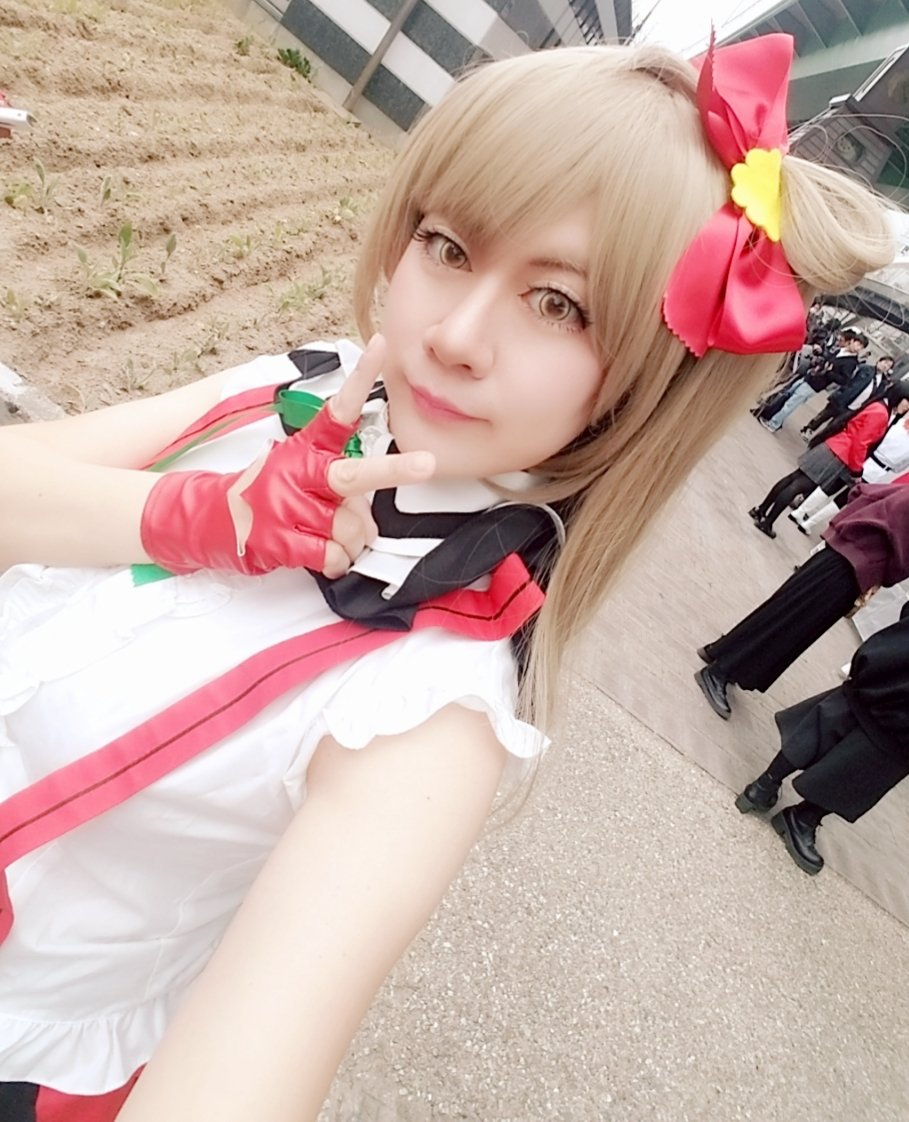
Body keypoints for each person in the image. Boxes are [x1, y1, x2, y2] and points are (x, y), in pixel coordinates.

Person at [0, 35, 894, 1122]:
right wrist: (196, 516)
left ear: (647, 379)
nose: (455, 336)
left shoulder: (427, 712)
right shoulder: (304, 387)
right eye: (449, 245)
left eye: (559, 304)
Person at [695, 478, 909, 720]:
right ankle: (720, 671)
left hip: (846, 560)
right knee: (790, 625)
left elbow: (864, 492)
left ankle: (722, 651)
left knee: (783, 612)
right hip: (850, 566)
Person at [735, 603, 909, 875]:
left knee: (842, 712)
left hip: (893, 661)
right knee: (877, 757)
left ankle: (763, 785)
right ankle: (803, 818)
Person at [746, 383, 909, 537]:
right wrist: (857, 471)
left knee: (793, 479)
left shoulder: (878, 406)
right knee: (798, 485)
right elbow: (860, 444)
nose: (907, 407)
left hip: (834, 446)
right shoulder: (881, 414)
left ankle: (761, 510)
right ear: (898, 395)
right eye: (907, 401)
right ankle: (767, 522)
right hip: (838, 454)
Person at [789, 411, 909, 536]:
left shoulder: (895, 422)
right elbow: (900, 467)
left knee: (830, 487)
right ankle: (809, 523)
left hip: (862, 458)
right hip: (878, 471)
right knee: (843, 499)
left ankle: (800, 511)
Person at [801, 354, 895, 437]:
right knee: (824, 415)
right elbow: (849, 380)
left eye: (888, 366)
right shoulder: (865, 369)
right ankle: (809, 429)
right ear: (879, 361)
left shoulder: (882, 383)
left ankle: (819, 438)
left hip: (854, 407)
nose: (885, 366)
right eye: (885, 362)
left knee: (835, 425)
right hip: (843, 398)